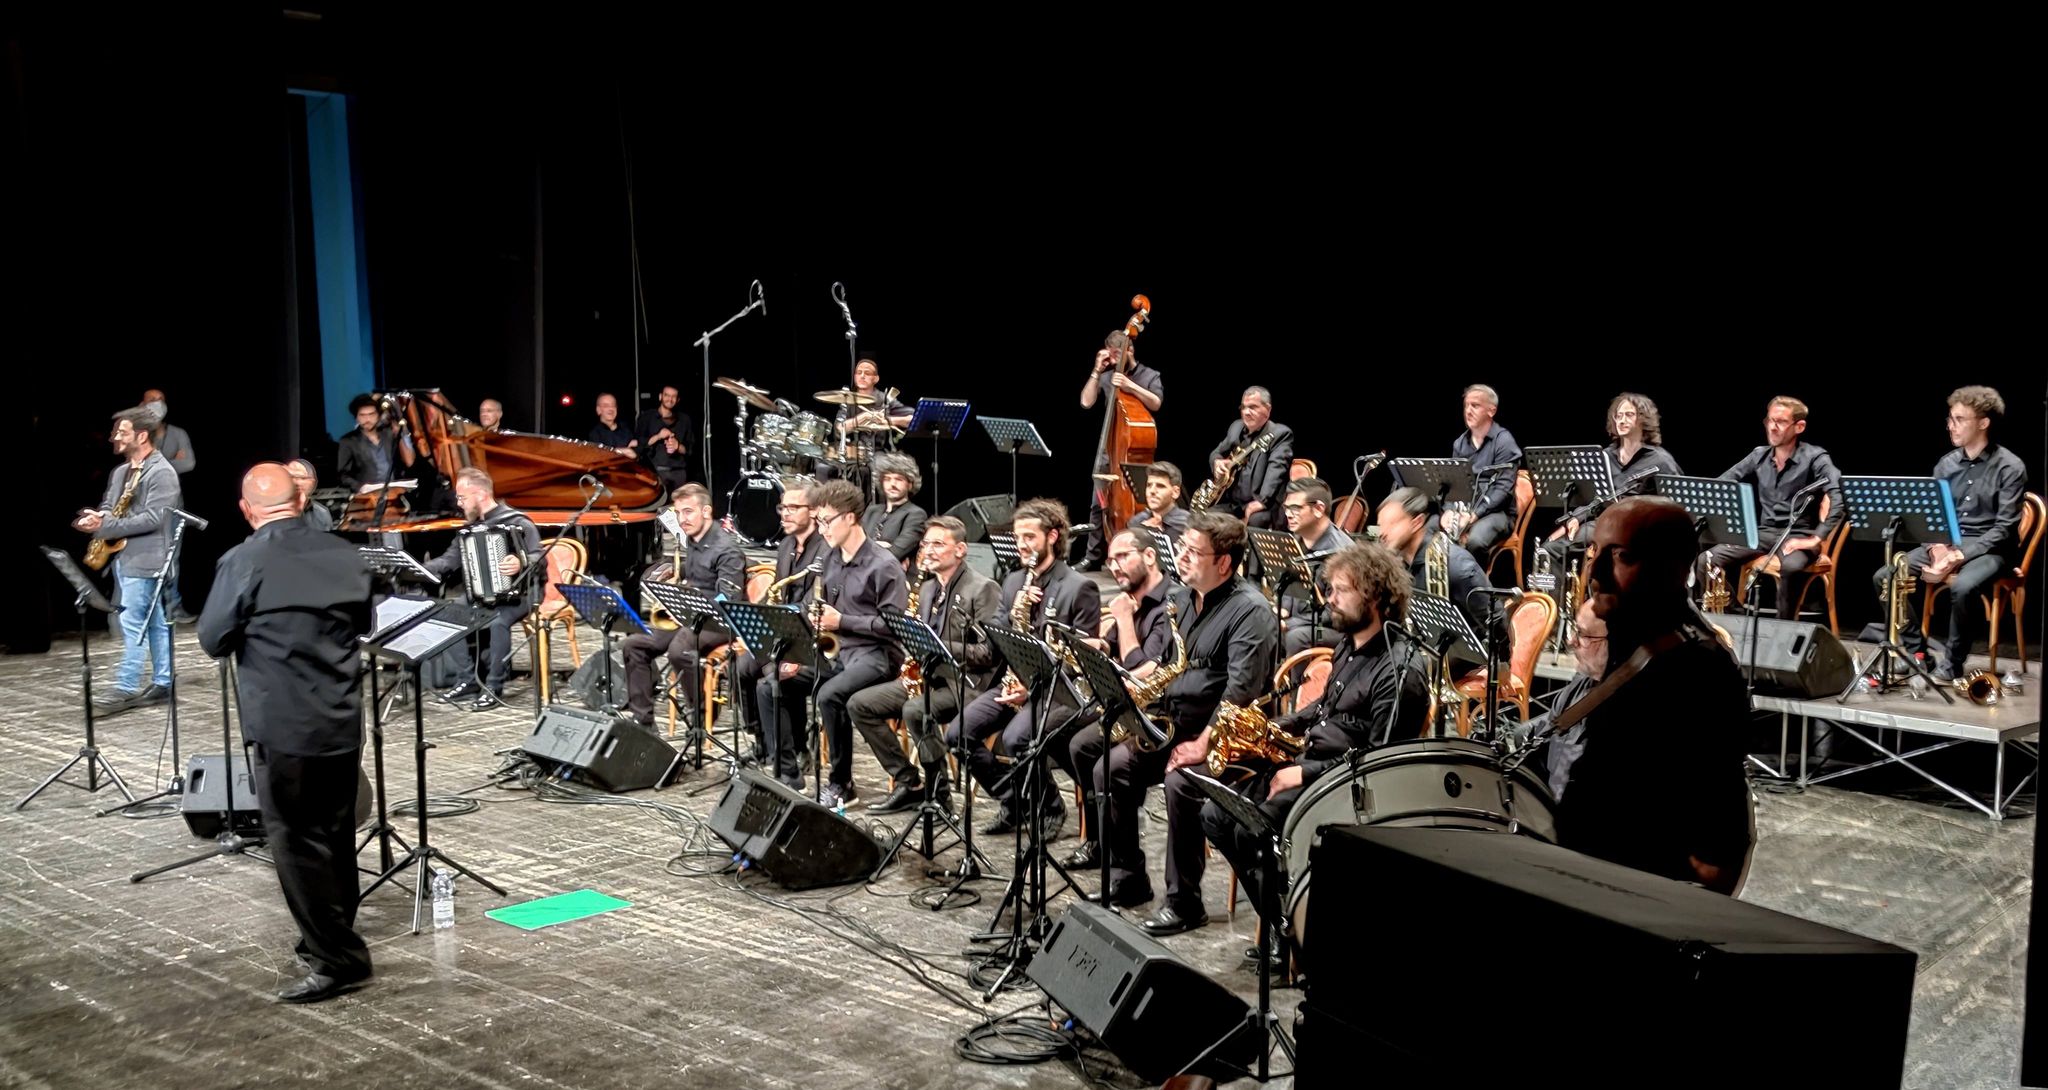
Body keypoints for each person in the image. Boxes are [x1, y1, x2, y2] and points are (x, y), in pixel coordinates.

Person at [197, 463, 373, 1004]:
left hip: (283, 724)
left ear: (248, 509)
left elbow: (212, 638)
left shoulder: (244, 560)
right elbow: (363, 624)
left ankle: (337, 960)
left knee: (296, 843)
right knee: (336, 835)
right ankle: (331, 936)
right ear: (300, 500)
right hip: (340, 718)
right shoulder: (347, 554)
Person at [1201, 542, 1429, 928]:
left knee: (1249, 831)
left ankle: (1298, 935)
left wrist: (1304, 774)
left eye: (1341, 591)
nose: (1330, 600)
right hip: (1310, 765)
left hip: (1345, 787)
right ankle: (1282, 924)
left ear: (1374, 595)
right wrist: (1277, 726)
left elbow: (1379, 761)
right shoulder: (1347, 645)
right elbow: (1325, 706)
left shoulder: (1398, 670)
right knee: (1214, 814)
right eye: (1330, 589)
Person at [1554, 497, 1751, 893]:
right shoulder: (1626, 640)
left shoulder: (1694, 671)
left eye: (1622, 556)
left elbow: (1715, 853)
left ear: (1674, 569)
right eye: (1594, 554)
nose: (1595, 573)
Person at [1144, 512, 1279, 936]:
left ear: (1224, 562)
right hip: (1177, 720)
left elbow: (1240, 694)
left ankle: (1184, 902)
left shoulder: (1251, 611)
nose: (1180, 557)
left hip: (1228, 738)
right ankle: (1125, 877)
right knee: (1101, 757)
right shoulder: (1183, 599)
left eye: (1192, 551)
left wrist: (1203, 742)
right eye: (1180, 547)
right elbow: (1168, 664)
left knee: (1182, 782)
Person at [946, 498, 1101, 833]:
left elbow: (1080, 662)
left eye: (1030, 537)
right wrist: (1017, 611)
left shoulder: (1079, 587)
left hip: (1056, 690)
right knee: (957, 734)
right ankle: (1016, 800)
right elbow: (997, 639)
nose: (1022, 545)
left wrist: (1030, 687)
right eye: (1018, 538)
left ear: (1053, 536)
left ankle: (1050, 807)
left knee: (1018, 738)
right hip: (1015, 682)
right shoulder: (1015, 580)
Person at [849, 516, 1003, 814]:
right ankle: (910, 783)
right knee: (859, 704)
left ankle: (940, 794)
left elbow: (989, 654)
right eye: (925, 544)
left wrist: (940, 647)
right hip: (931, 679)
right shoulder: (929, 589)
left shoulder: (983, 588)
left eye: (938, 544)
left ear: (960, 549)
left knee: (915, 710)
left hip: (967, 684)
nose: (928, 551)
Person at [1057, 526, 1177, 904]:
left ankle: (1130, 875)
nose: (1114, 566)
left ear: (1150, 556)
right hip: (1126, 708)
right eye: (1110, 560)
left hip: (1159, 716)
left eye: (1123, 556)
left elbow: (1143, 671)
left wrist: (1123, 621)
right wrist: (1092, 646)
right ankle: (1102, 838)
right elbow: (1114, 653)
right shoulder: (1129, 598)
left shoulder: (1168, 603)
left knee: (1104, 768)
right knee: (1074, 743)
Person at [1875, 385, 2028, 679]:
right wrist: (1937, 548)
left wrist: (1957, 555)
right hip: (1948, 543)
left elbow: (2004, 528)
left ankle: (1953, 663)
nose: (1951, 425)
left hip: (1990, 549)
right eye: (1950, 419)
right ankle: (1919, 654)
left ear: (1983, 423)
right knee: (1886, 576)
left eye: (1960, 419)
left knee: (1962, 587)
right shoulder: (1946, 464)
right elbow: (1931, 519)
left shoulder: (2010, 466)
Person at [75, 405, 182, 716]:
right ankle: (163, 682)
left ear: (142, 435)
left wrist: (105, 526)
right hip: (124, 557)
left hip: (148, 558)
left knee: (132, 621)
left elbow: (153, 518)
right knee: (155, 622)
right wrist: (98, 518)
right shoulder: (121, 472)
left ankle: (126, 685)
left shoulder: (162, 472)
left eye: (122, 432)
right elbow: (110, 505)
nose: (115, 438)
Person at [807, 479, 908, 809]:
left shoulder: (884, 565)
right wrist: (818, 617)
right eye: (818, 522)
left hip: (879, 655)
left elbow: (893, 627)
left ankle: (842, 783)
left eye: (827, 521)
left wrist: (842, 622)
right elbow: (829, 608)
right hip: (843, 650)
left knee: (830, 695)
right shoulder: (831, 558)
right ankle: (789, 764)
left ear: (850, 518)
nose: (822, 530)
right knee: (785, 676)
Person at [1701, 396, 1843, 616]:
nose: (1773, 427)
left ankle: (1782, 629)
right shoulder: (1759, 455)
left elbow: (1837, 494)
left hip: (1799, 534)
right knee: (1707, 560)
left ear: (1799, 426)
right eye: (1770, 421)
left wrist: (1816, 537)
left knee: (1792, 567)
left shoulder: (1815, 458)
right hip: (1762, 534)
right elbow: (1723, 483)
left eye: (1781, 422)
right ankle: (1737, 619)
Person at [620, 484, 746, 730]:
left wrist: (691, 604)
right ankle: (643, 722)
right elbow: (698, 573)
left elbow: (728, 599)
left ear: (706, 511)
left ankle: (700, 717)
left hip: (718, 619)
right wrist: (669, 571)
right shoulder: (693, 540)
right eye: (679, 513)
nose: (682, 519)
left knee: (680, 649)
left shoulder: (726, 549)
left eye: (688, 512)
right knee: (633, 644)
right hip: (688, 613)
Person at [422, 468, 542, 709]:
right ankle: (468, 680)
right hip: (483, 594)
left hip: (522, 593)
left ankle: (494, 687)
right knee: (447, 613)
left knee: (498, 622)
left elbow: (540, 556)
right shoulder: (469, 529)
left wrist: (521, 561)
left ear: (480, 494)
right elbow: (449, 561)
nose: (458, 503)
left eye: (462, 497)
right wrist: (418, 567)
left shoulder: (517, 522)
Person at [739, 480, 828, 788]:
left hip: (811, 636)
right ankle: (763, 742)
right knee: (740, 666)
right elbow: (780, 592)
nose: (785, 514)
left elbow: (815, 602)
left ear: (814, 512)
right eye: (782, 507)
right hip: (784, 631)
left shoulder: (824, 549)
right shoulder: (787, 545)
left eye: (793, 508)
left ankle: (790, 758)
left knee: (771, 678)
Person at [1542, 392, 1684, 566]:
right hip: (1603, 522)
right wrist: (1576, 518)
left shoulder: (1661, 461)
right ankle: (1562, 593)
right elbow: (1595, 498)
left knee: (1563, 548)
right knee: (1549, 548)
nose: (1622, 420)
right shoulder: (1605, 456)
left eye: (1629, 415)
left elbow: (1677, 507)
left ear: (1643, 419)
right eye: (1618, 416)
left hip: (1638, 530)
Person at [1077, 329, 1165, 570]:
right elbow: (1086, 402)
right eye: (1110, 355)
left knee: (1134, 508)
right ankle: (1093, 557)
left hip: (1134, 453)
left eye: (1117, 355)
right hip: (1110, 450)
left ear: (1130, 351)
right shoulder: (1107, 376)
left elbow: (1156, 402)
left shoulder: (1149, 375)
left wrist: (1129, 385)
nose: (1113, 360)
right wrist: (1097, 370)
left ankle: (1134, 558)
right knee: (1099, 506)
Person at [1374, 485, 1497, 653]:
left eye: (1392, 524)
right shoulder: (1396, 563)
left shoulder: (1456, 566)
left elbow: (1495, 621)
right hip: (1422, 648)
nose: (1382, 533)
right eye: (1381, 525)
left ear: (1416, 523)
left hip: (1461, 657)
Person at [1447, 383, 1524, 563]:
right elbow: (1453, 485)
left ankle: (1476, 587)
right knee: (1431, 528)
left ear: (1491, 411)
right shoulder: (1460, 443)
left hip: (1498, 514)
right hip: (1466, 510)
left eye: (1475, 405)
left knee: (1476, 540)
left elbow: (1502, 490)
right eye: (1466, 405)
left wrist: (1475, 515)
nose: (1468, 411)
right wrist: (1449, 512)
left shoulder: (1504, 441)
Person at [1278, 476, 1353, 655]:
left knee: (1295, 637)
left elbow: (1335, 613)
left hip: (1338, 630)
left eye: (1295, 508)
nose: (1288, 514)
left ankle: (1298, 684)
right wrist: (1282, 609)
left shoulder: (1341, 553)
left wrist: (1289, 623)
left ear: (1319, 509)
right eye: (1286, 507)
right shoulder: (1296, 541)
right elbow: (1291, 588)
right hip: (1305, 621)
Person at [1200, 386, 1294, 529]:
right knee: (1202, 517)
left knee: (1257, 520)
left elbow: (1277, 469)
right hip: (1234, 504)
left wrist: (1262, 501)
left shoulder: (1279, 434)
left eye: (1253, 407)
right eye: (1243, 407)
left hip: (1264, 505)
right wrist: (1217, 462)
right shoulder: (1236, 428)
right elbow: (1216, 453)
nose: (1246, 412)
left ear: (1268, 410)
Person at [335, 393, 416, 492]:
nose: (367, 419)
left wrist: (398, 433)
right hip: (367, 495)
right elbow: (343, 475)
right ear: (356, 417)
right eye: (362, 415)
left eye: (371, 414)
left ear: (378, 415)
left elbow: (409, 461)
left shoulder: (389, 435)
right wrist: (360, 487)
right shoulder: (348, 441)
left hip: (394, 491)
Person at [861, 452, 929, 567]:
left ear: (910, 484)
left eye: (899, 479)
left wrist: (868, 547)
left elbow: (895, 552)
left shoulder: (916, 514)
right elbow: (855, 545)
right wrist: (881, 546)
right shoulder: (872, 510)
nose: (892, 484)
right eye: (887, 479)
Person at [635, 385, 693, 492]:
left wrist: (678, 446)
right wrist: (658, 436)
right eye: (667, 395)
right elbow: (638, 446)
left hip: (678, 474)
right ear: (660, 396)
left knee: (677, 507)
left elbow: (690, 450)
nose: (670, 399)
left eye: (673, 396)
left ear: (678, 400)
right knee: (657, 508)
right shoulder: (646, 418)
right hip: (654, 474)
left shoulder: (685, 420)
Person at [1127, 460, 1190, 554]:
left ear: (1175, 492)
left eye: (1160, 486)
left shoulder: (1187, 523)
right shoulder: (1136, 522)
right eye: (1149, 485)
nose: (1152, 491)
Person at [287, 459, 335, 532]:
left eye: (302, 478)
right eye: (291, 477)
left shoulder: (322, 513)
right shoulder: (273, 512)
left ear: (313, 482)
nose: (296, 482)